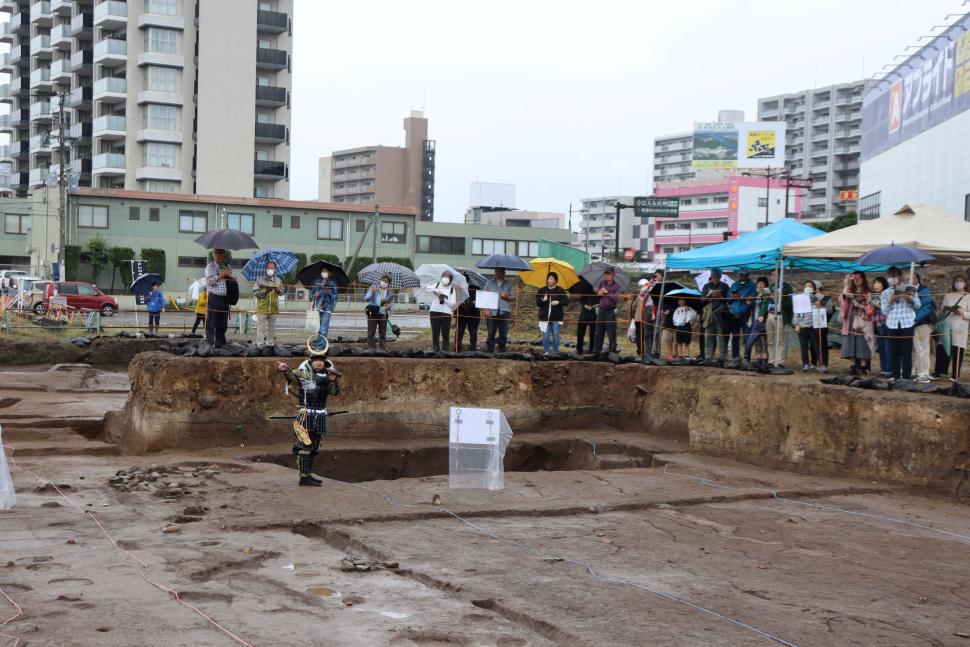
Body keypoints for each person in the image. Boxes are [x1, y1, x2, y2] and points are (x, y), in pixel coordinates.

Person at [276, 341, 341, 487]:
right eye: (315, 360)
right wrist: (285, 370)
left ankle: (308, 474)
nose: (318, 363)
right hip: (306, 414)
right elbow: (292, 377)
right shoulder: (303, 373)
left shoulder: (328, 375)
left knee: (315, 447)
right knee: (305, 446)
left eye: (321, 360)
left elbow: (333, 392)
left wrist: (332, 381)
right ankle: (304, 477)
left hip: (320, 415)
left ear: (324, 362)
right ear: (311, 361)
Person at [881, 271, 920, 380]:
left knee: (907, 351)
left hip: (907, 322)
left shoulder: (909, 288)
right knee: (894, 351)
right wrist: (890, 300)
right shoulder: (886, 292)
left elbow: (918, 305)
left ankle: (906, 376)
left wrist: (909, 299)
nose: (892, 278)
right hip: (892, 323)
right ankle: (895, 375)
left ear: (899, 276)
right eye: (889, 276)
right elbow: (884, 311)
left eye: (894, 276)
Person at [839, 271, 875, 375]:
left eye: (858, 278)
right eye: (854, 278)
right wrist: (846, 284)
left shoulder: (868, 292)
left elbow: (871, 309)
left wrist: (859, 305)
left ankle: (863, 366)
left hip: (863, 320)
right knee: (851, 341)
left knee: (862, 342)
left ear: (863, 278)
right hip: (850, 319)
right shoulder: (850, 291)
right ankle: (854, 365)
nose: (856, 280)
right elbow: (842, 301)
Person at [941, 275, 969, 380]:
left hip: (960, 326)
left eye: (961, 281)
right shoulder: (948, 295)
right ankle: (941, 372)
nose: (958, 282)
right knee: (944, 348)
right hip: (947, 325)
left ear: (965, 283)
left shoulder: (968, 296)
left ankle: (955, 375)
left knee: (958, 350)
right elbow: (942, 310)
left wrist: (960, 313)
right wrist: (946, 309)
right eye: (956, 281)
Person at [205, 248, 233, 346]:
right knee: (211, 323)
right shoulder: (210, 267)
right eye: (216, 253)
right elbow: (210, 281)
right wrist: (221, 275)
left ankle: (220, 344)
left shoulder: (228, 267)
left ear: (224, 255)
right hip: (214, 298)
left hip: (225, 299)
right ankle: (209, 345)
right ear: (213, 255)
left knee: (222, 324)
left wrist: (229, 275)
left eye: (220, 253)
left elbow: (235, 280)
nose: (218, 255)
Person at [483, 268, 516, 353]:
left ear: (504, 273)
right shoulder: (489, 283)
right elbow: (484, 297)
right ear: (495, 272)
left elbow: (513, 297)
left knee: (503, 334)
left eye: (501, 272)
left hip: (504, 311)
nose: (499, 273)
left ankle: (502, 353)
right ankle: (490, 353)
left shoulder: (508, 284)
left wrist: (507, 297)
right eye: (497, 271)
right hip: (491, 311)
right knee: (491, 333)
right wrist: (485, 310)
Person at [766, 268, 794, 368]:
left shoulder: (787, 286)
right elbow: (766, 302)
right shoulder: (770, 287)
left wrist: (779, 298)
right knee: (770, 340)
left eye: (775, 274)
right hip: (770, 314)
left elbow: (790, 303)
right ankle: (771, 361)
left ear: (780, 275)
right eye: (772, 275)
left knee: (780, 340)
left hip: (780, 315)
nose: (773, 276)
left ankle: (780, 362)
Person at [726, 268, 756, 359]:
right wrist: (732, 296)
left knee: (747, 337)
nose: (742, 276)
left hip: (746, 315)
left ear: (747, 275)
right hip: (734, 315)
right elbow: (728, 299)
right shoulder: (734, 284)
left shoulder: (752, 286)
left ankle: (747, 358)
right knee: (735, 337)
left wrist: (741, 296)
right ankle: (735, 357)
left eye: (744, 275)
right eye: (741, 275)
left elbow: (753, 298)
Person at [911, 273, 935, 383]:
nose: (908, 280)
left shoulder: (923, 290)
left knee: (922, 349)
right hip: (911, 323)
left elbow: (927, 307)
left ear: (917, 279)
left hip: (922, 323)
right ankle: (914, 371)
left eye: (910, 278)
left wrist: (916, 319)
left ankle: (923, 373)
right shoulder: (907, 290)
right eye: (905, 279)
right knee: (914, 349)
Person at [537, 272, 569, 354]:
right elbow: (538, 303)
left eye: (551, 279)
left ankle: (555, 352)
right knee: (545, 336)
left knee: (556, 335)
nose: (549, 280)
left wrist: (558, 302)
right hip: (544, 316)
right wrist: (543, 300)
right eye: (548, 278)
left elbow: (566, 301)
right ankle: (546, 352)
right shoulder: (542, 290)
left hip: (556, 317)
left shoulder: (560, 290)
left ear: (556, 280)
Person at [701, 269, 729, 359]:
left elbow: (729, 300)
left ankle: (723, 357)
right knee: (709, 335)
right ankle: (709, 356)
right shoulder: (706, 286)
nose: (716, 279)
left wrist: (720, 296)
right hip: (709, 313)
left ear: (720, 277)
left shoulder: (725, 286)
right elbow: (701, 300)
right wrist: (709, 297)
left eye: (717, 277)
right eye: (714, 277)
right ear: (711, 277)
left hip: (722, 313)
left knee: (722, 336)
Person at [253, 261, 283, 346]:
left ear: (275, 269)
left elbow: (282, 292)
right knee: (261, 329)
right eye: (268, 268)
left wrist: (278, 290)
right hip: (262, 309)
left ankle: (269, 345)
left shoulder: (278, 280)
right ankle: (260, 345)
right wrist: (266, 290)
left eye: (272, 268)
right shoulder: (259, 280)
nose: (270, 269)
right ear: (265, 269)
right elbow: (255, 293)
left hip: (274, 309)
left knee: (271, 329)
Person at [592, 267, 621, 353]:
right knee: (598, 332)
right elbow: (599, 295)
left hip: (610, 312)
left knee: (611, 333)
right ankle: (596, 351)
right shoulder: (602, 283)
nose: (608, 276)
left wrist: (607, 292)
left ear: (613, 275)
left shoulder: (617, 286)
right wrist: (599, 293)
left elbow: (616, 299)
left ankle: (612, 351)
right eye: (606, 274)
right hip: (601, 311)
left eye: (609, 274)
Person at [427, 270, 457, 352]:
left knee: (445, 333)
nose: (445, 278)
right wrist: (436, 291)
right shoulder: (437, 285)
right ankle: (436, 350)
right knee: (435, 333)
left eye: (447, 277)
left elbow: (452, 304)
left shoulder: (452, 289)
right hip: (434, 311)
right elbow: (427, 288)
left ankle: (446, 350)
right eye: (444, 277)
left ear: (450, 279)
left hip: (446, 313)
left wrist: (444, 298)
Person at [309, 266, 339, 351]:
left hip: (327, 308)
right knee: (318, 328)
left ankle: (320, 347)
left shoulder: (333, 284)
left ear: (330, 273)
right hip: (318, 307)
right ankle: (321, 344)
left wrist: (329, 292)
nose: (324, 273)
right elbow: (311, 295)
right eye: (322, 271)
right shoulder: (317, 282)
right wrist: (315, 295)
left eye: (326, 271)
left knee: (323, 328)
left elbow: (336, 297)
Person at [794, 280, 820, 372]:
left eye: (810, 286)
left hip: (814, 325)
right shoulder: (800, 299)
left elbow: (821, 310)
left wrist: (818, 305)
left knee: (815, 345)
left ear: (813, 288)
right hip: (803, 325)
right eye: (806, 286)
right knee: (804, 346)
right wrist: (797, 324)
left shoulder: (817, 298)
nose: (808, 288)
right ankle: (805, 364)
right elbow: (796, 313)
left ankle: (815, 363)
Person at [745, 277, 771, 364]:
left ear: (765, 285)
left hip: (763, 320)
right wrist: (749, 302)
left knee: (764, 341)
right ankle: (758, 358)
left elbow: (765, 306)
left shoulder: (767, 294)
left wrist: (762, 316)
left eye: (762, 283)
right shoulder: (755, 294)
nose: (759, 285)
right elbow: (750, 307)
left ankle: (764, 359)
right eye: (758, 283)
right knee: (757, 341)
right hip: (754, 319)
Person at [364, 273, 394, 350]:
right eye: (383, 280)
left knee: (383, 332)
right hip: (372, 312)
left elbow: (391, 304)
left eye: (386, 281)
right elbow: (366, 298)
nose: (384, 282)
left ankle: (383, 348)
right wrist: (372, 292)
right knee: (371, 332)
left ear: (389, 283)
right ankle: (371, 348)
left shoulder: (390, 292)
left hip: (383, 313)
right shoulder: (374, 287)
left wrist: (388, 306)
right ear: (380, 280)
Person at [870, 277, 891, 376]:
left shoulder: (888, 295)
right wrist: (871, 304)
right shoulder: (874, 296)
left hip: (887, 324)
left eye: (878, 283)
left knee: (888, 348)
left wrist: (878, 304)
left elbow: (888, 310)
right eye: (875, 283)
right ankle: (883, 370)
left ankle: (889, 370)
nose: (876, 285)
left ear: (884, 284)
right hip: (877, 324)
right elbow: (870, 311)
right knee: (881, 348)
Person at [630, 278, 652, 355]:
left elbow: (633, 307)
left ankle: (640, 351)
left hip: (638, 318)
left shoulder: (638, 296)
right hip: (646, 318)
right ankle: (648, 351)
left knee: (639, 335)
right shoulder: (650, 295)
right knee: (647, 334)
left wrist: (633, 316)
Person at [456, 285, 480, 351]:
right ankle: (457, 348)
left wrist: (475, 301)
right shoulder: (458, 288)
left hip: (473, 313)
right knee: (459, 332)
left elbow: (479, 299)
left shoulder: (475, 288)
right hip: (461, 312)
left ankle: (473, 348)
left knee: (473, 332)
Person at [575, 287, 598, 354]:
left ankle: (592, 350)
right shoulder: (585, 291)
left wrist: (594, 306)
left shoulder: (599, 293)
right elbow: (581, 299)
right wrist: (585, 305)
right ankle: (579, 349)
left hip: (594, 315)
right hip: (584, 315)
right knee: (580, 333)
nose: (595, 288)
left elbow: (601, 302)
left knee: (593, 334)